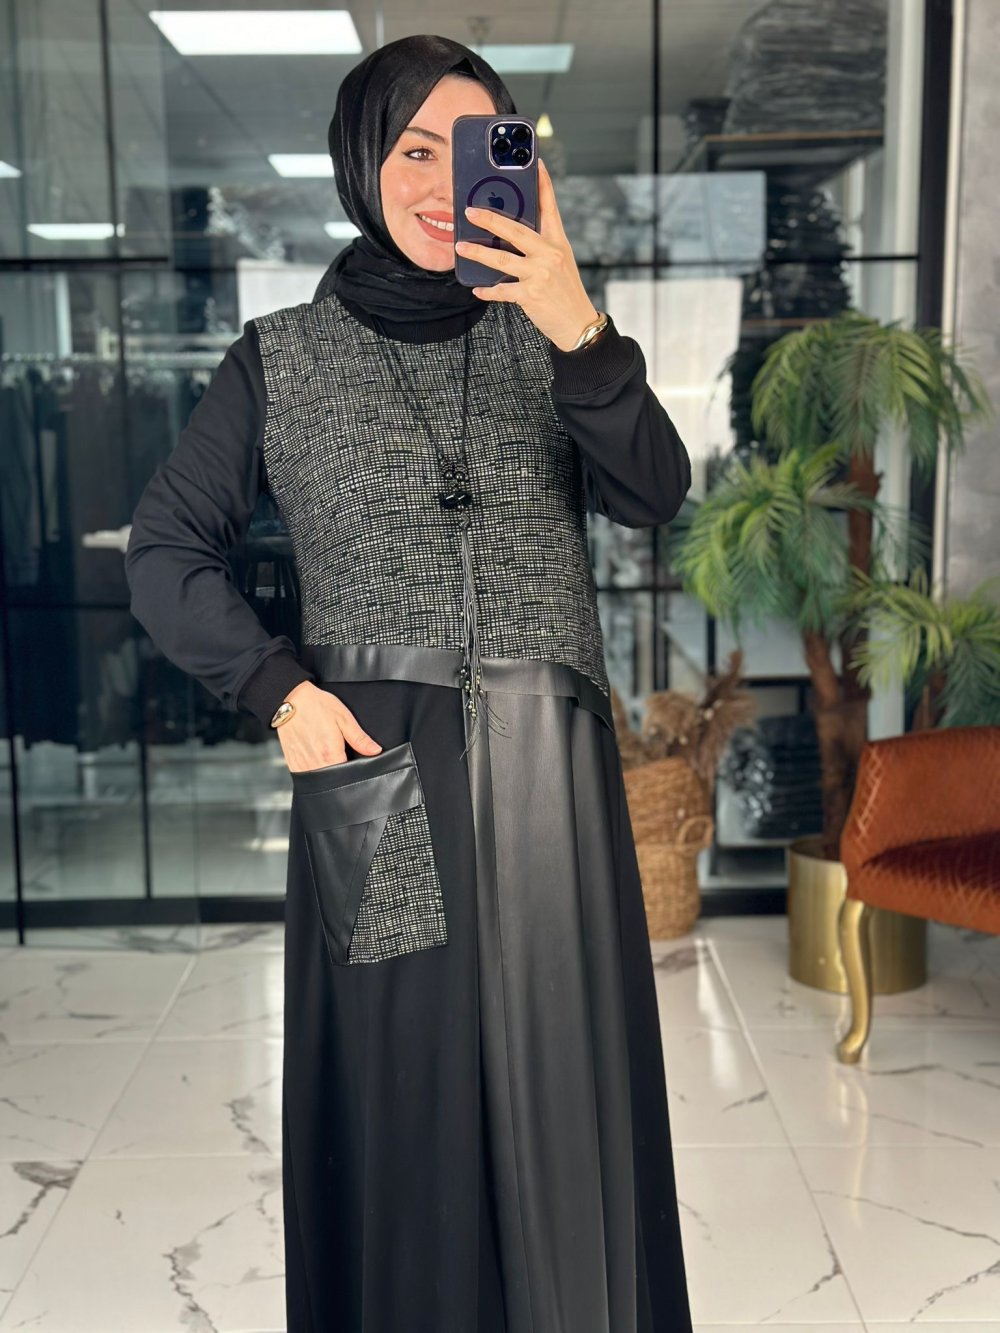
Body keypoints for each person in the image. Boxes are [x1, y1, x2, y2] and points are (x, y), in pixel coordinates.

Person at [125, 33, 694, 1333]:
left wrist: (576, 321)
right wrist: (278, 687)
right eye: (414, 148)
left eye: (475, 147)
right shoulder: (279, 357)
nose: (443, 183)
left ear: (518, 165)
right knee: (406, 1108)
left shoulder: (554, 336)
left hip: (552, 779)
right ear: (362, 162)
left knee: (567, 1102)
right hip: (376, 776)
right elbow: (165, 552)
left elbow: (655, 493)